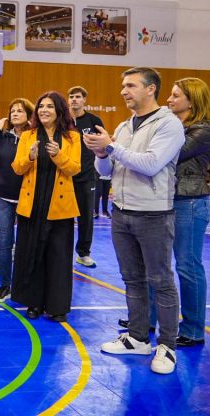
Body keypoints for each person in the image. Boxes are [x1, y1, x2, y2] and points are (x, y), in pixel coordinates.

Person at [84, 67, 184, 375]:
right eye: (123, 86)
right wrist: (102, 153)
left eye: (130, 85)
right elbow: (106, 172)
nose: (124, 91)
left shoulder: (168, 124)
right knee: (132, 280)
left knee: (162, 281)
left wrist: (112, 146)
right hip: (122, 212)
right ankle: (139, 337)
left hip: (154, 214)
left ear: (151, 88)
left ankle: (167, 346)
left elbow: (152, 165)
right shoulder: (126, 125)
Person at [11, 91, 81, 322]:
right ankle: (34, 303)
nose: (44, 110)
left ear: (59, 110)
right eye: (41, 106)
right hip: (33, 206)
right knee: (32, 254)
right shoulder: (28, 136)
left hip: (60, 208)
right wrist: (29, 157)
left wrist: (59, 156)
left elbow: (74, 169)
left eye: (49, 106)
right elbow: (17, 168)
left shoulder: (72, 137)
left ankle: (58, 306)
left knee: (58, 257)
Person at [166, 77, 210, 347]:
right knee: (163, 265)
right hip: (171, 201)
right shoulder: (177, 126)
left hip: (190, 203)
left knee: (188, 266)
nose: (168, 100)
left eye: (175, 96)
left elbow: (171, 154)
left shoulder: (203, 131)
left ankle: (193, 329)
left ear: (191, 101)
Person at [0, 97, 34, 302]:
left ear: (29, 115)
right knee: (4, 242)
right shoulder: (3, 137)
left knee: (26, 242)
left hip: (27, 196)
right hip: (2, 196)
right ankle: (5, 285)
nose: (15, 114)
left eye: (20, 110)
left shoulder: (33, 137)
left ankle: (25, 285)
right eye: (12, 110)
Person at [67, 86, 104, 267]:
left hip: (87, 176)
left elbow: (103, 145)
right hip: (65, 176)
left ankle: (83, 253)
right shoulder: (63, 121)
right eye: (71, 97)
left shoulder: (93, 121)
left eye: (78, 97)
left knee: (86, 217)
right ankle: (62, 252)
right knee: (63, 217)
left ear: (84, 100)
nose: (74, 99)